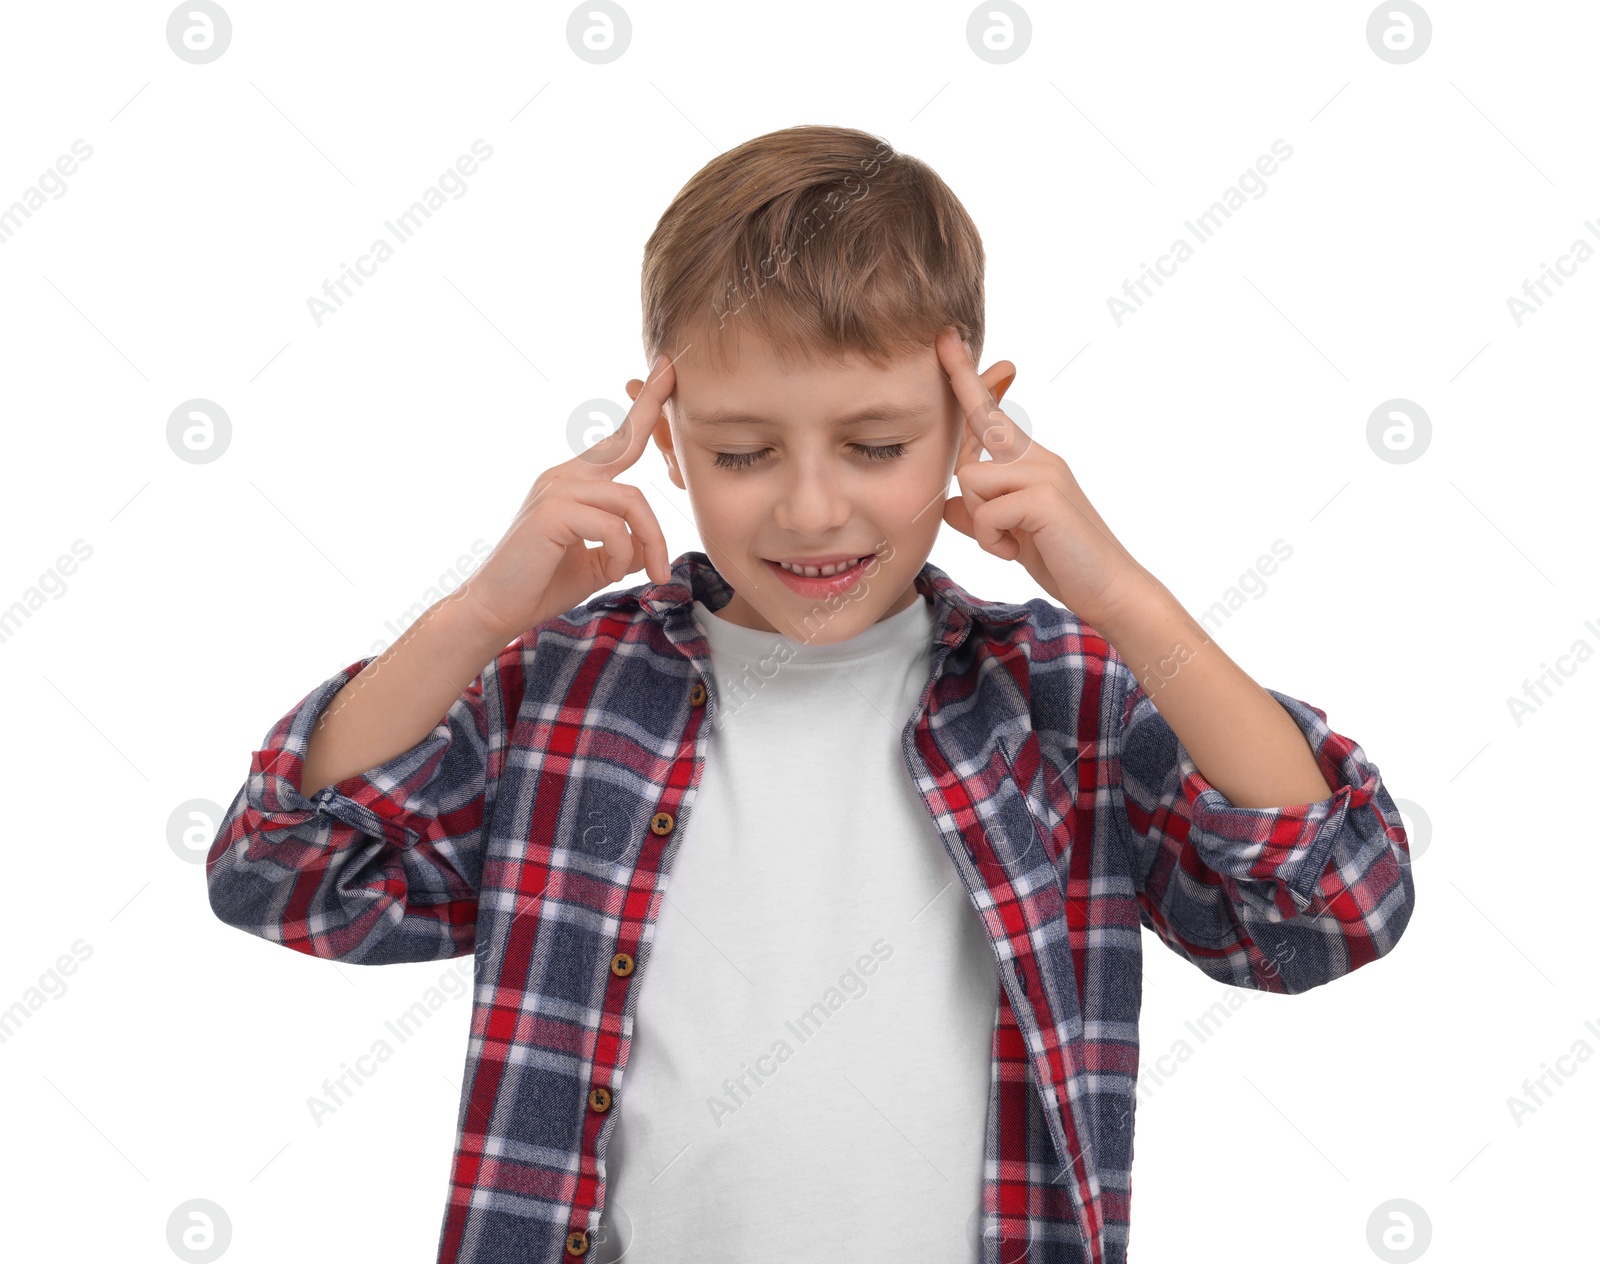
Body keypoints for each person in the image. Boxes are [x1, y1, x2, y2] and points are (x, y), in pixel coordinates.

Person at [206, 123, 1414, 1264]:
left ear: (966, 422)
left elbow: (1327, 907)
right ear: (667, 437)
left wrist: (1128, 600)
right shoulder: (559, 691)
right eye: (741, 453)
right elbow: (285, 875)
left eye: (876, 445)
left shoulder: (1061, 696)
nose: (810, 509)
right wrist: (474, 618)